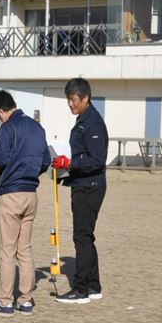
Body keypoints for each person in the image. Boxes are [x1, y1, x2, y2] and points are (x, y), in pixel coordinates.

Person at [0, 90, 51, 317]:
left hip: (11, 194)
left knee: (7, 251)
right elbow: (45, 161)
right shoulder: (37, 128)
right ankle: (26, 300)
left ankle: (5, 302)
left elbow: (0, 158)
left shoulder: (7, 128)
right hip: (31, 194)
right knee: (25, 250)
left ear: (1, 112)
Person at [52, 77, 108, 304]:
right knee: (87, 237)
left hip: (90, 187)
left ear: (86, 98)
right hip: (82, 184)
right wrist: (63, 170)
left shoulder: (92, 122)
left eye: (74, 99)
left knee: (81, 238)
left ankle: (81, 289)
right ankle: (94, 287)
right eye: (68, 100)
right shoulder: (84, 120)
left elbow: (96, 160)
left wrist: (70, 165)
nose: (71, 104)